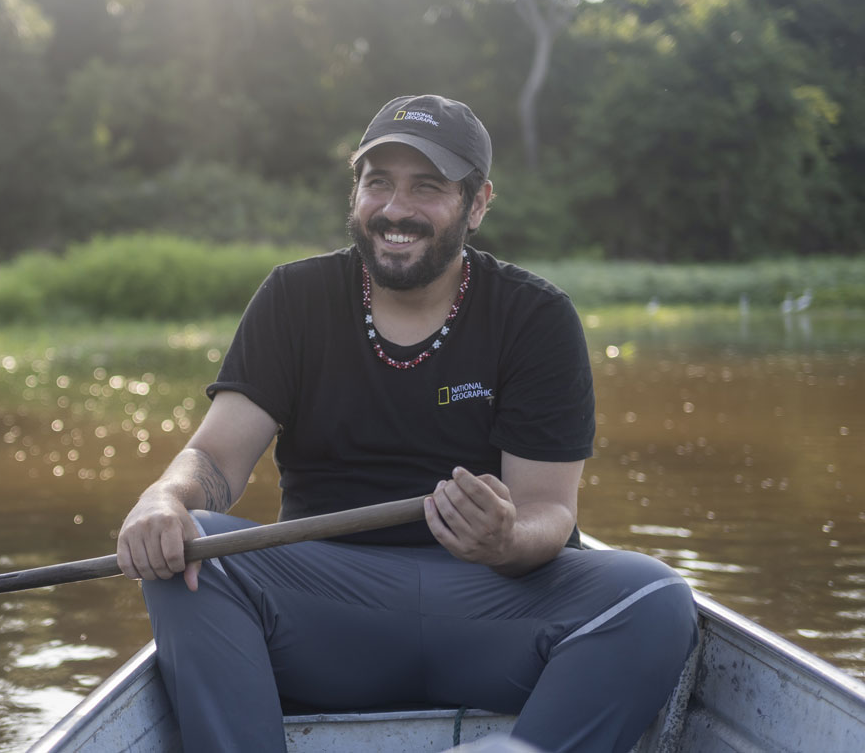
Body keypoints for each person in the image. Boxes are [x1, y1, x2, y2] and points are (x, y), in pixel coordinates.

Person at [116, 94, 698, 753]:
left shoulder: (535, 316)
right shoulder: (294, 297)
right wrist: (163, 498)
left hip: (491, 606)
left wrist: (506, 537)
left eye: (427, 187)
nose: (396, 209)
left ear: (478, 203)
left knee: (655, 596)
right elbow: (216, 458)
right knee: (190, 550)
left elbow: (549, 512)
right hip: (325, 605)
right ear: (356, 192)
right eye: (378, 183)